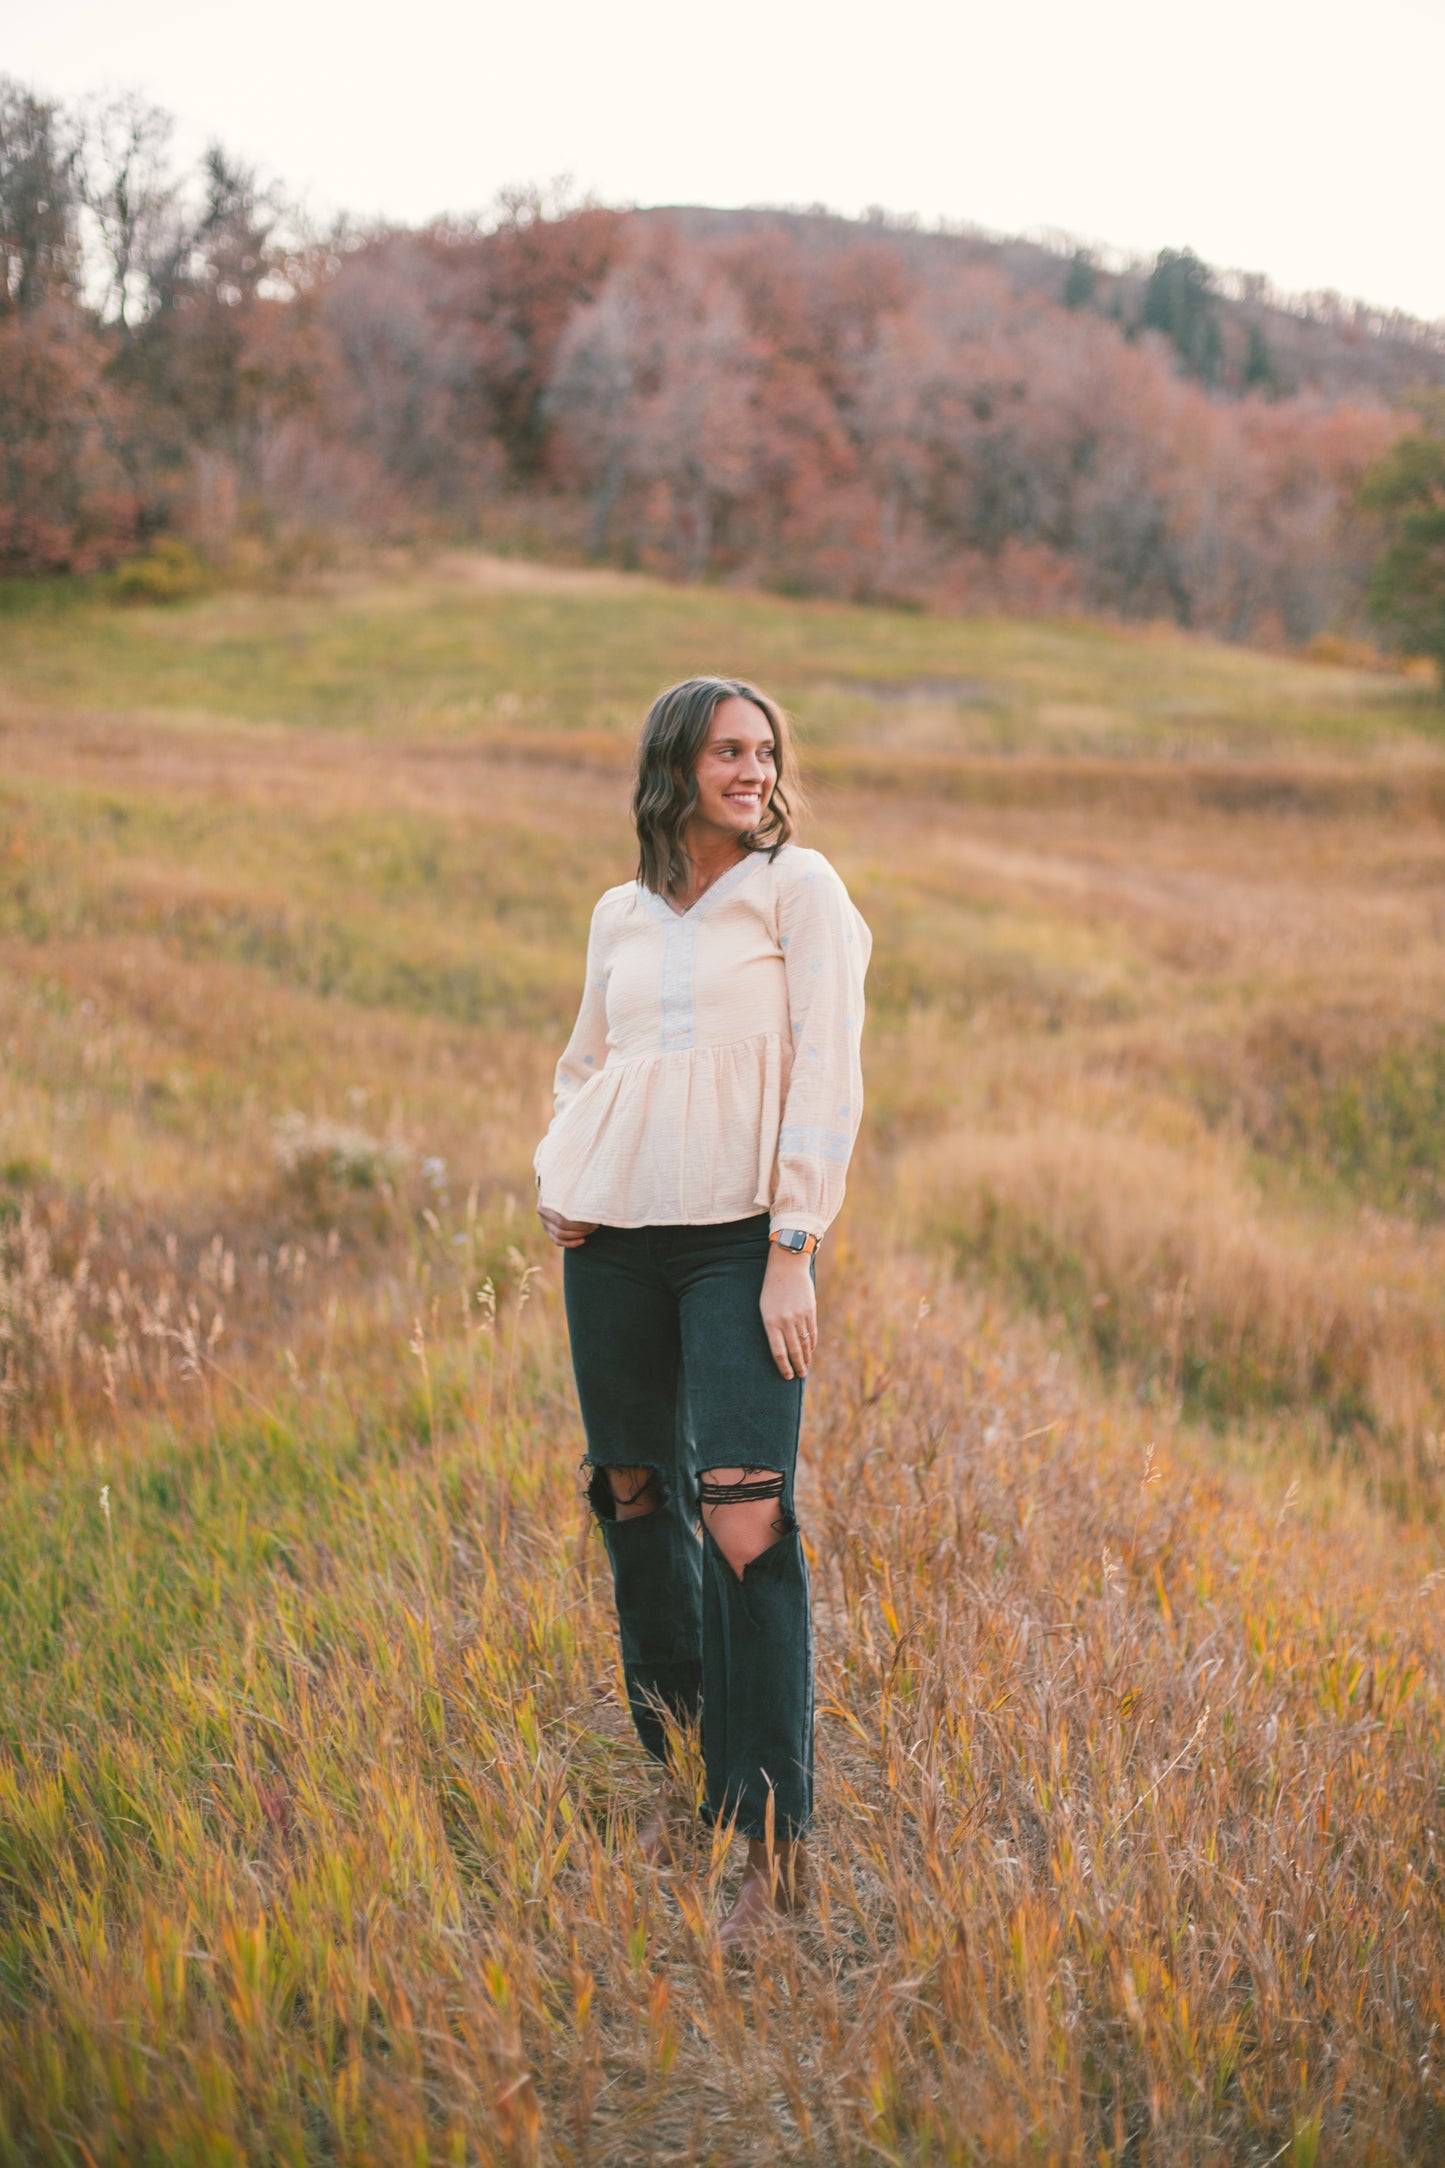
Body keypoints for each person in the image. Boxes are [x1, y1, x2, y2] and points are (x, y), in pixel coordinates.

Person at [535, 675, 871, 1948]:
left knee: (743, 1511)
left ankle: (767, 1840)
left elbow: (828, 1064)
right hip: (614, 1243)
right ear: (673, 765)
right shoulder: (619, 911)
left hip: (740, 1243)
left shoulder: (800, 890)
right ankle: (679, 1751)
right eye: (727, 749)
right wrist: (559, 1177)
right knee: (629, 1490)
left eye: (764, 750)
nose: (751, 769)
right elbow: (588, 1059)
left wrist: (794, 1241)